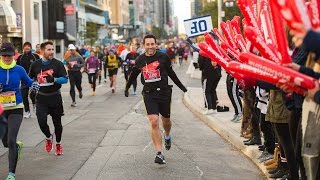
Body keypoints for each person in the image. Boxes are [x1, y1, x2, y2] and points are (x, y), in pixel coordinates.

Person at [124, 34, 187, 164]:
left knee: (166, 121)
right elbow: (133, 75)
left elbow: (171, 73)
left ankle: (167, 135)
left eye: (152, 44)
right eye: (148, 44)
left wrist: (182, 87)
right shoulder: (140, 60)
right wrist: (127, 88)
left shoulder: (163, 57)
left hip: (164, 92)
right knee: (153, 121)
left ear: (156, 44)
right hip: (149, 93)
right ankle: (159, 153)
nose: (150, 47)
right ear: (144, 45)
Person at [0, 42, 39, 180]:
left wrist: (34, 85)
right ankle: (17, 147)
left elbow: (28, 82)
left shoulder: (19, 69)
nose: (6, 58)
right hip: (1, 110)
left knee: (11, 140)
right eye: (4, 55)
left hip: (16, 107)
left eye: (9, 55)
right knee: (5, 142)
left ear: (13, 55)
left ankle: (11, 173)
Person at [29, 41, 68, 156]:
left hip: (55, 97)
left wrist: (55, 79)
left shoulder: (58, 64)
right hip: (41, 98)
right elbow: (30, 78)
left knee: (58, 124)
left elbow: (65, 80)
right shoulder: (35, 65)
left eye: (52, 49)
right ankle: (48, 137)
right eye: (49, 50)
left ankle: (58, 143)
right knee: (41, 122)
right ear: (42, 51)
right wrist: (33, 83)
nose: (51, 52)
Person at [16, 42, 40, 118]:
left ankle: (34, 104)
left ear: (30, 48)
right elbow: (17, 68)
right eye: (25, 47)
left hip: (33, 79)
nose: (26, 48)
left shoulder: (35, 56)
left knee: (33, 95)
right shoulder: (20, 57)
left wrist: (37, 77)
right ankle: (27, 111)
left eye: (28, 47)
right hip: (23, 80)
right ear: (23, 48)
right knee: (24, 96)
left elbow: (39, 67)